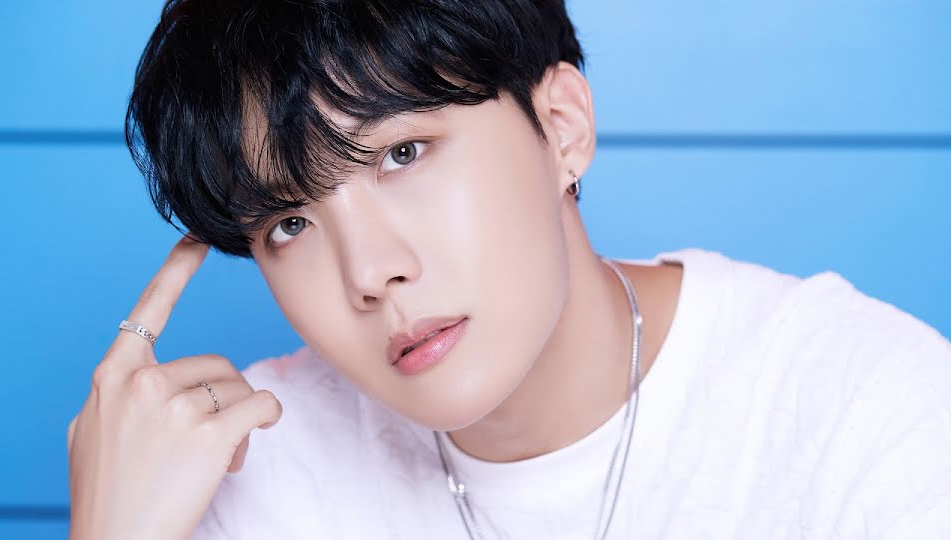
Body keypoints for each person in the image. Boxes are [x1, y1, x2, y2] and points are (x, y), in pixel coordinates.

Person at [66, 0, 951, 538]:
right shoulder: (243, 467)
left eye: (403, 154)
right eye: (290, 223)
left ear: (561, 128)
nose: (369, 273)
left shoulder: (858, 407)